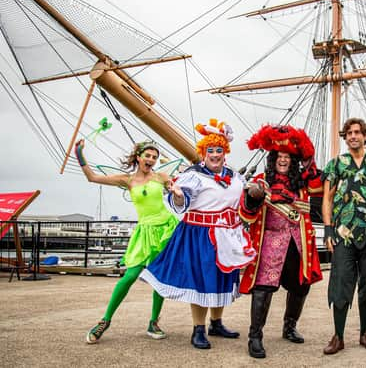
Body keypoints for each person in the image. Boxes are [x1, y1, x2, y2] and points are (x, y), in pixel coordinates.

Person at [139, 119, 256, 350]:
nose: (215, 155)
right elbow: (181, 201)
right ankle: (198, 329)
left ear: (225, 153)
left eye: (219, 150)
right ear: (204, 153)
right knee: (202, 282)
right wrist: (179, 195)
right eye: (210, 150)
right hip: (199, 236)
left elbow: (243, 199)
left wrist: (255, 192)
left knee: (222, 278)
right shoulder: (193, 175)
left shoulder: (234, 176)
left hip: (228, 235)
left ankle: (216, 323)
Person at [74, 139, 178, 344]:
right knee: (129, 276)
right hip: (145, 230)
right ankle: (105, 321)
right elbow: (92, 177)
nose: (151, 159)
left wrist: (175, 189)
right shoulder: (128, 180)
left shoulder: (161, 176)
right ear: (138, 157)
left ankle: (153, 322)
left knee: (159, 278)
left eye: (154, 157)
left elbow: (177, 188)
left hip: (166, 228)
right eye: (147, 155)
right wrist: (79, 154)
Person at [238, 124, 323, 359]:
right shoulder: (261, 181)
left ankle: (289, 326)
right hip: (270, 243)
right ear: (273, 158)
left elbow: (319, 188)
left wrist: (309, 159)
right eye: (279, 156)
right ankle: (255, 336)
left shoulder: (302, 183)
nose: (283, 160)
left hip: (298, 243)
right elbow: (246, 215)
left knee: (300, 286)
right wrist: (253, 198)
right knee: (264, 287)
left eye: (287, 157)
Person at [321, 117, 366, 355]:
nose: (353, 136)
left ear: (365, 136)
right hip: (344, 234)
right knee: (340, 284)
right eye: (349, 133)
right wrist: (328, 230)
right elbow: (327, 199)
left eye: (357, 132)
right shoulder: (336, 164)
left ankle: (365, 332)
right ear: (345, 137)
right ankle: (338, 336)